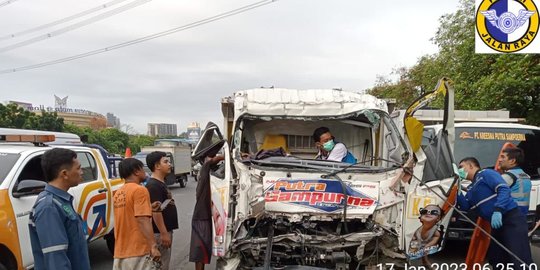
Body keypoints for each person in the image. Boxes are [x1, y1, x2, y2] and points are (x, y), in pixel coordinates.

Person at [457, 157, 532, 267]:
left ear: (471, 166)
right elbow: (466, 206)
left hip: (510, 219)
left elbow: (503, 189)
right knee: (497, 259)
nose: (459, 170)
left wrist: (498, 210)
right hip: (496, 225)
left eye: (461, 167)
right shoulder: (471, 187)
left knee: (519, 258)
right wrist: (457, 190)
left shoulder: (486, 173)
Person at [28, 148, 91, 270]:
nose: (82, 172)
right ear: (64, 174)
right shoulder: (49, 207)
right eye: (78, 168)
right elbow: (56, 259)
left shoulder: (61, 201)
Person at [113, 158, 161, 269]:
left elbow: (128, 214)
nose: (145, 172)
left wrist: (149, 207)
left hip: (120, 252)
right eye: (142, 169)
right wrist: (153, 246)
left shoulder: (118, 193)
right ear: (136, 171)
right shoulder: (140, 190)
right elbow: (142, 219)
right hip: (138, 251)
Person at [189, 155, 224, 270]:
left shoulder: (212, 175)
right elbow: (210, 162)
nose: (211, 159)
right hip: (202, 217)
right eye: (209, 157)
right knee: (200, 248)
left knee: (206, 247)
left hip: (210, 216)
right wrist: (227, 155)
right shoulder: (205, 169)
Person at [146, 151, 179, 270]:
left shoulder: (161, 183)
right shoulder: (153, 186)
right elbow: (156, 212)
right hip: (159, 233)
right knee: (161, 265)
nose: (169, 164)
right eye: (165, 162)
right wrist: (164, 233)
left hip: (164, 231)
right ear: (157, 166)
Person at [498, 147, 532, 215]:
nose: (499, 160)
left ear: (512, 161)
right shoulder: (525, 175)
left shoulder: (507, 177)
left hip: (510, 214)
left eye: (503, 157)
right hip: (522, 215)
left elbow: (490, 192)